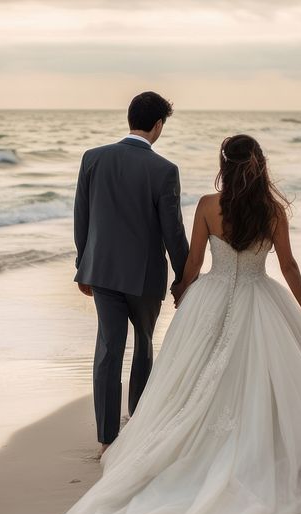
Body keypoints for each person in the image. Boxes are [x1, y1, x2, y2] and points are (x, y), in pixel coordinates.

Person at [44, 134, 301, 514]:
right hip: (263, 300)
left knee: (190, 385)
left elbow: (194, 262)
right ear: (260, 164)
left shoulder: (207, 204)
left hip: (212, 297)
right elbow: (289, 265)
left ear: (223, 164)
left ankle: (134, 442)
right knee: (265, 382)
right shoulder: (274, 211)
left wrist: (183, 295)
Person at [73, 91, 190, 456]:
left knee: (108, 349)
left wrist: (83, 265)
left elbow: (82, 217)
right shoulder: (164, 170)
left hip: (102, 271)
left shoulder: (93, 158)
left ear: (130, 119)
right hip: (144, 277)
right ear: (158, 125)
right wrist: (184, 277)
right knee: (142, 345)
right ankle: (137, 429)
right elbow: (173, 231)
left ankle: (107, 440)